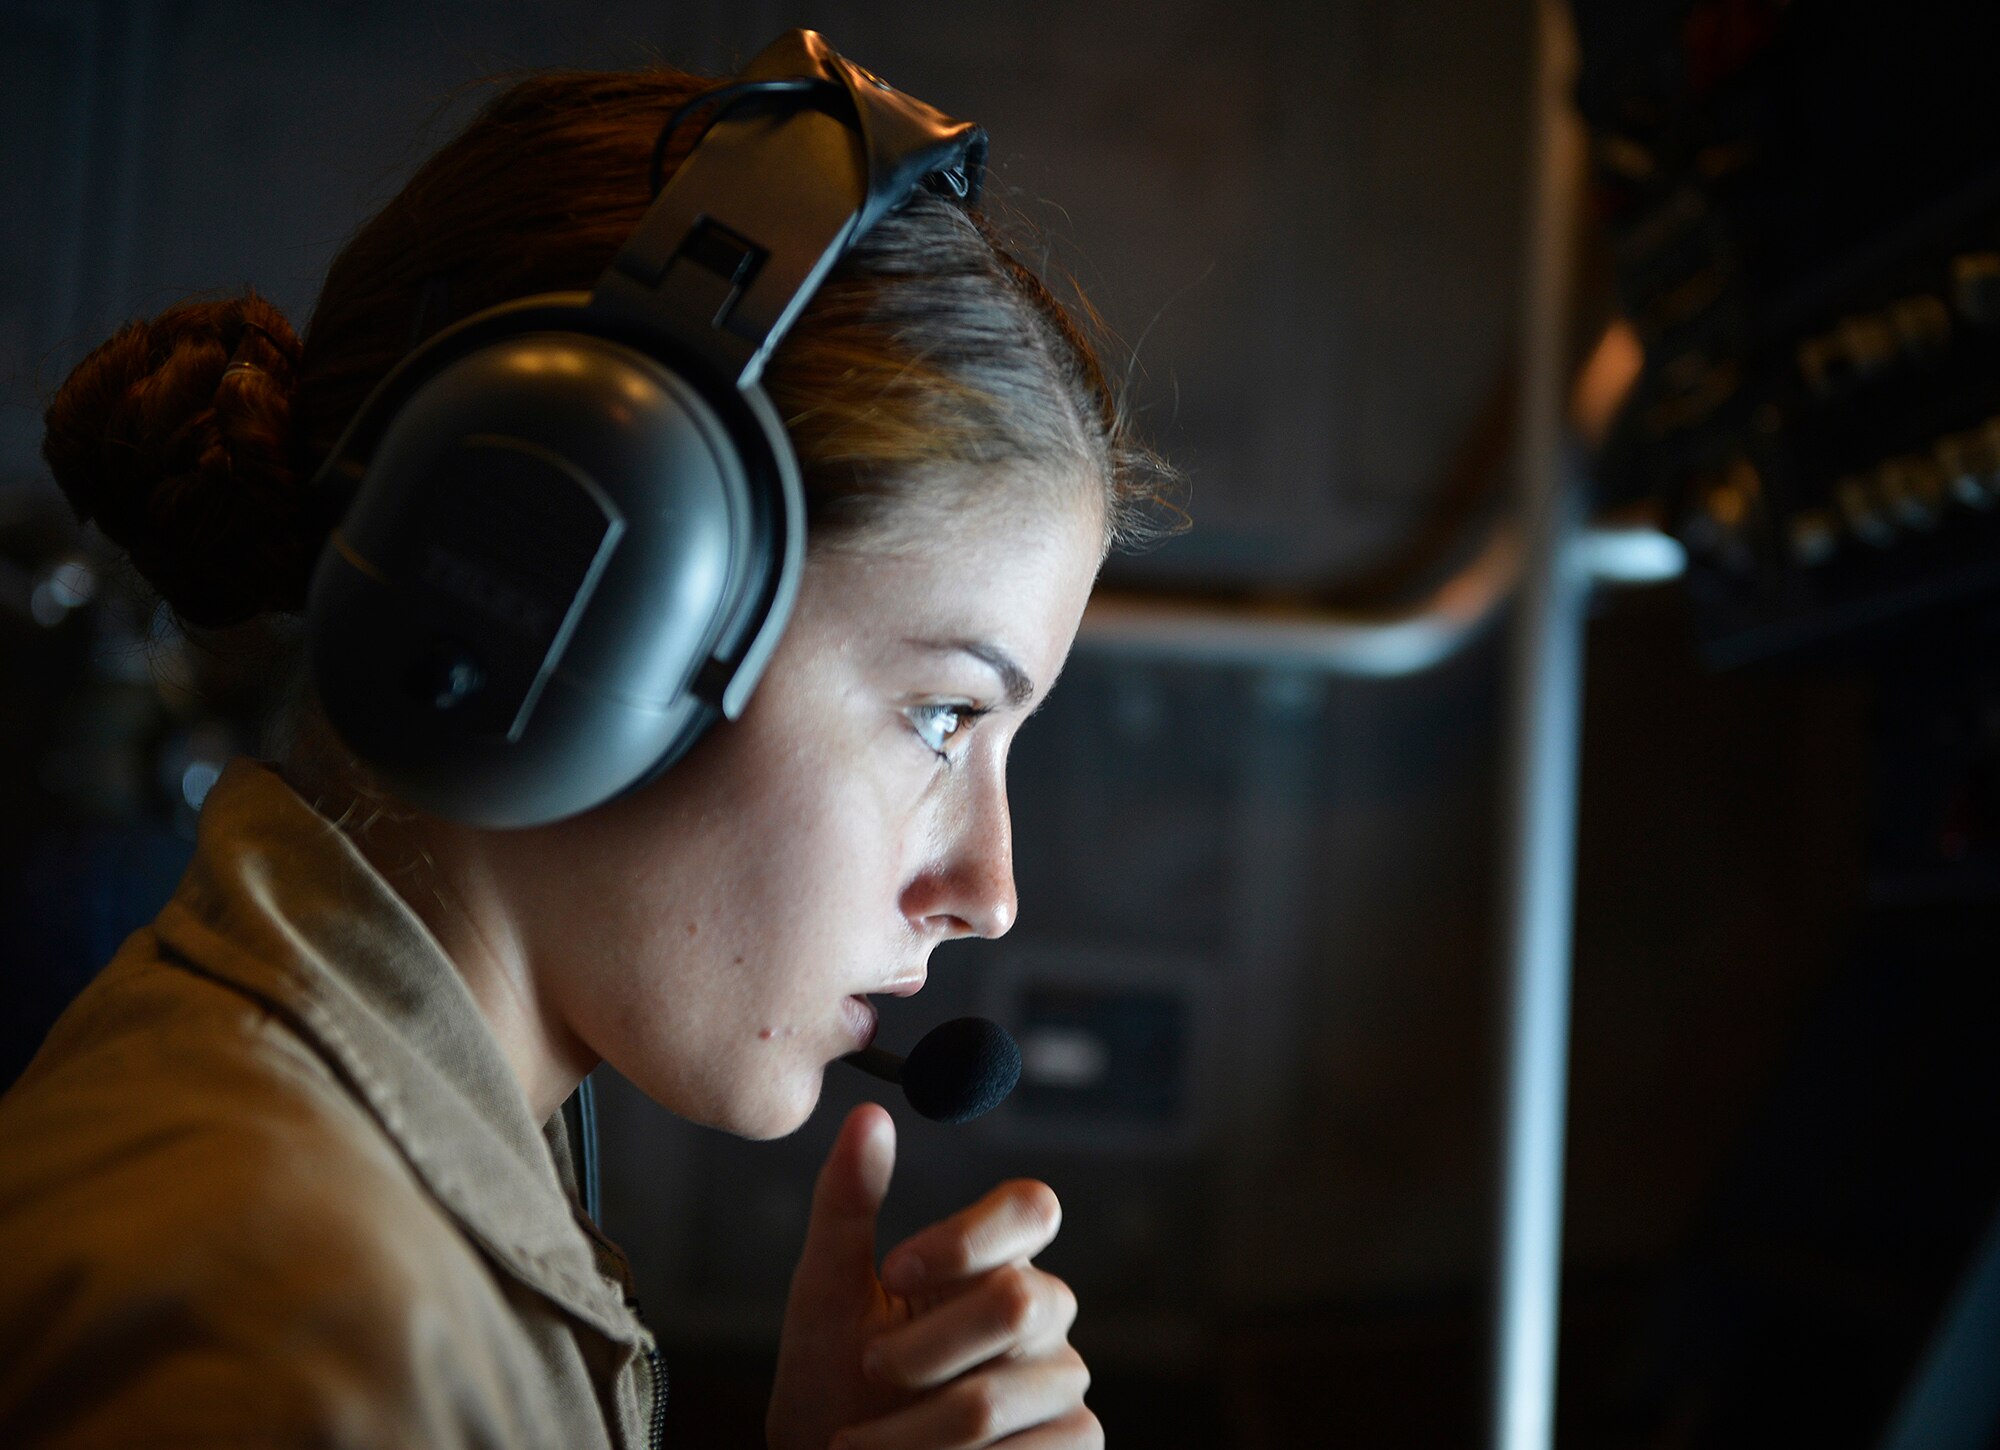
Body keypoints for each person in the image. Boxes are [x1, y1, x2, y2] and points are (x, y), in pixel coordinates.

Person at [0, 46, 1170, 1450]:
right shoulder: (298, 1343)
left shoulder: (415, 1184)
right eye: (941, 717)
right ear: (582, 583)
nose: (991, 887)